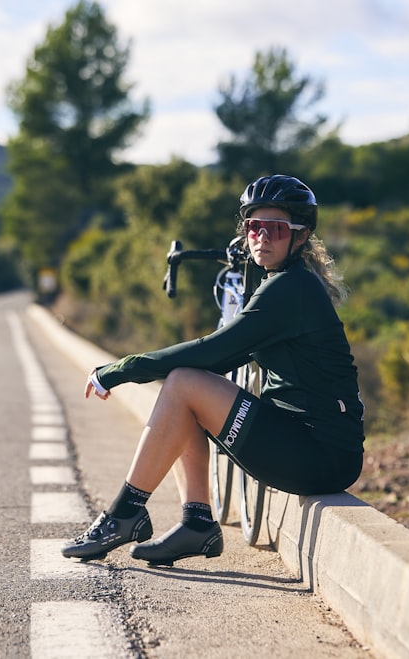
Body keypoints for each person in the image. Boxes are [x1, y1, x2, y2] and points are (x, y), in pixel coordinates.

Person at [62, 174, 365, 565]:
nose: (261, 237)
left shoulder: (291, 289)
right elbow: (223, 358)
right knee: (185, 386)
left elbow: (214, 352)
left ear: (301, 235)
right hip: (307, 445)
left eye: (274, 228)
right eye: (253, 227)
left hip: (319, 456)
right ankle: (197, 523)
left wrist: (121, 369)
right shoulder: (285, 283)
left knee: (185, 382)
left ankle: (125, 514)